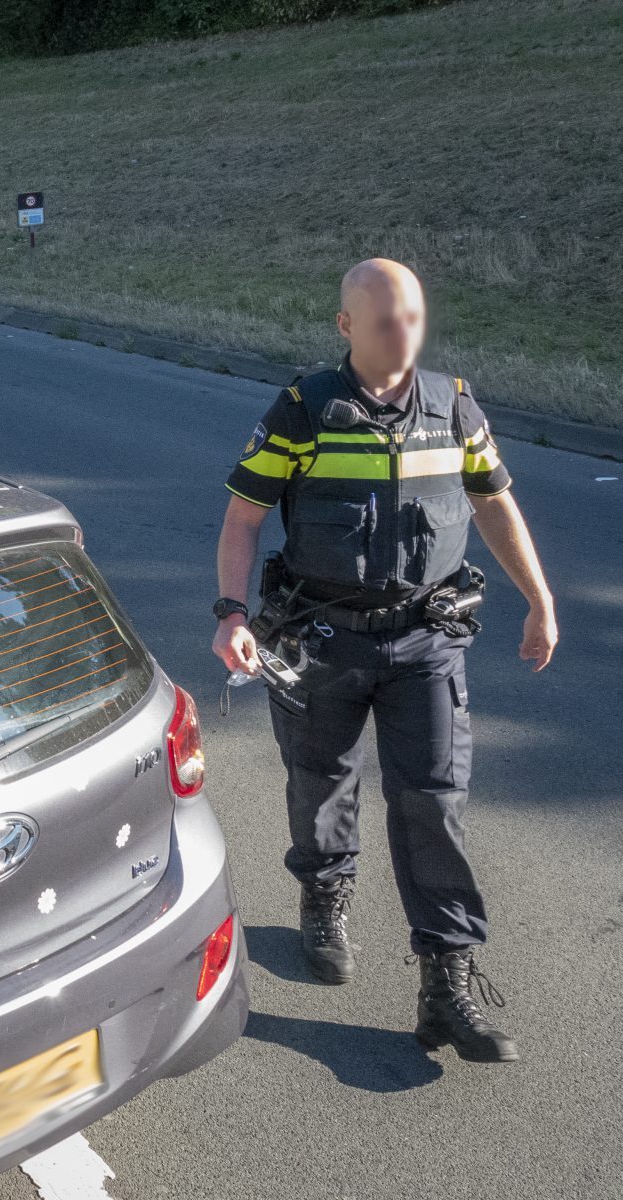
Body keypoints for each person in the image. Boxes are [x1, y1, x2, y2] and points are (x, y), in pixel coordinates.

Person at [211, 258, 556, 1064]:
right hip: (323, 639)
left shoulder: (454, 407)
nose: (403, 333)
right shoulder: (303, 412)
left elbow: (493, 499)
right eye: (383, 320)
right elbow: (241, 521)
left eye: (412, 316)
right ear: (345, 327)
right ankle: (324, 896)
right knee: (321, 777)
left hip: (427, 641)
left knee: (433, 802)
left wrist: (539, 599)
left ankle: (447, 983)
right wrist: (232, 615)